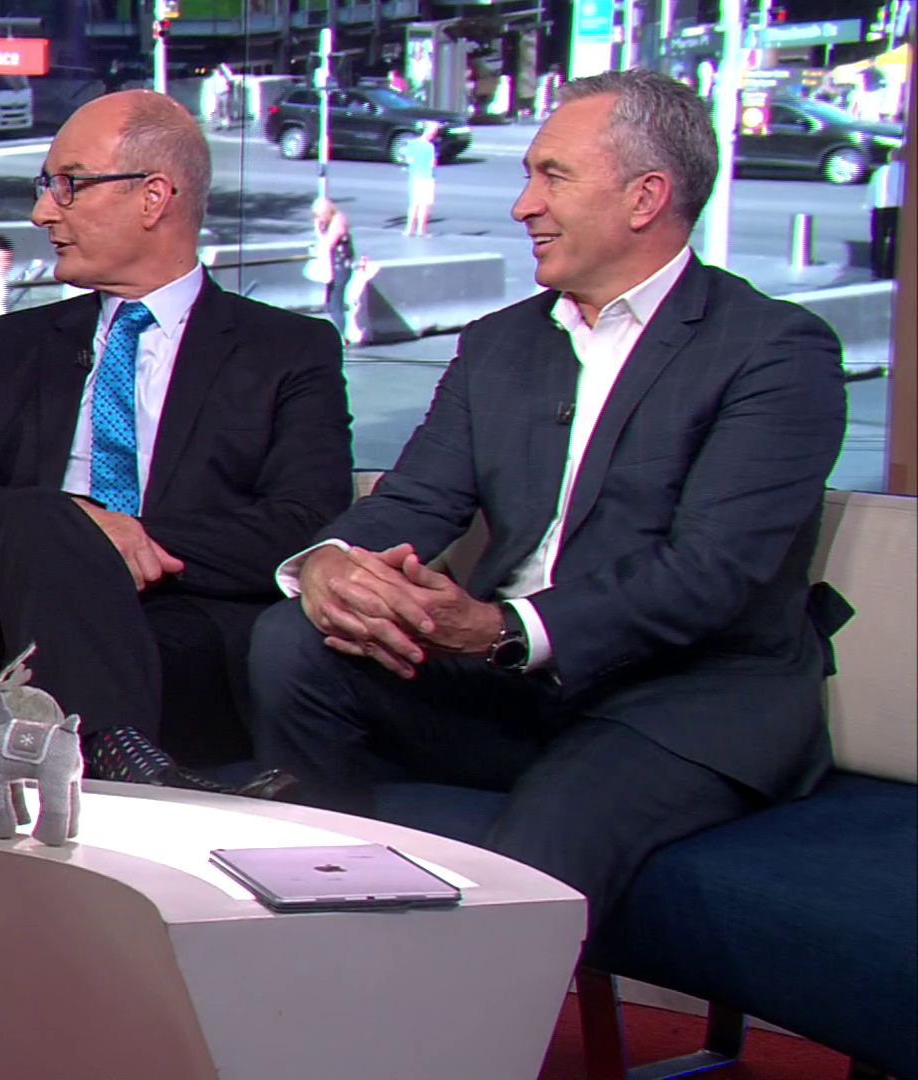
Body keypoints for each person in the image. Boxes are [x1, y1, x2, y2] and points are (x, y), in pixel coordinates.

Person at [249, 71, 849, 932]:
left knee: (534, 853)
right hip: (515, 690)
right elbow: (416, 498)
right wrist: (329, 567)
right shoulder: (501, 344)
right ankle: (329, 924)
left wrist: (501, 629)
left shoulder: (774, 351)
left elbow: (712, 572)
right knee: (292, 642)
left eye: (552, 176)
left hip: (681, 700)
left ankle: (435, 999)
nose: (522, 204)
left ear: (646, 197)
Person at [0, 91, 352, 797]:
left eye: (70, 184)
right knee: (41, 512)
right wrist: (75, 526)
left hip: (189, 640)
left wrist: (120, 538)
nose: (43, 212)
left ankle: (101, 748)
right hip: (18, 640)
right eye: (47, 186)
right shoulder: (10, 347)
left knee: (60, 524)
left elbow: (304, 524)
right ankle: (113, 747)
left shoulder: (288, 351)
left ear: (153, 197)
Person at [311, 197, 360, 341]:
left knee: (335, 303)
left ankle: (342, 336)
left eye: (319, 215)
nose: (319, 219)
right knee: (331, 302)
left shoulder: (338, 220)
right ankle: (340, 334)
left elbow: (328, 243)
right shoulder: (329, 222)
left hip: (340, 269)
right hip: (333, 268)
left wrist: (319, 231)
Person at [866, 157, 903, 281]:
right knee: (895, 241)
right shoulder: (904, 171)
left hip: (879, 207)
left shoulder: (880, 171)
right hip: (897, 209)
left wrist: (869, 206)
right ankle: (890, 269)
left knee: (878, 240)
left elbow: (872, 189)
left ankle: (877, 269)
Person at [402, 120, 439, 238]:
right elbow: (433, 164)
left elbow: (407, 159)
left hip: (415, 177)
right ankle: (421, 231)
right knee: (424, 205)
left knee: (414, 204)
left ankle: (409, 229)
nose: (434, 135)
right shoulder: (430, 147)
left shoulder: (412, 144)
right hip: (427, 178)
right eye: (434, 132)